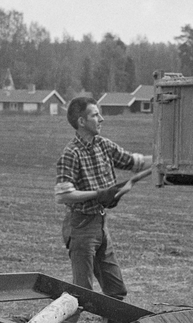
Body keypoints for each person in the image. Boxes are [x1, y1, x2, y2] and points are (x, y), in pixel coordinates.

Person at [54, 97, 153, 311]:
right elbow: (64, 195)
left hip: (100, 225)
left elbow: (135, 162)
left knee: (116, 291)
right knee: (81, 295)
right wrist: (98, 194)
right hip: (80, 227)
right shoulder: (71, 154)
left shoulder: (103, 145)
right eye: (95, 115)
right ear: (82, 121)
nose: (102, 119)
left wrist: (165, 158)